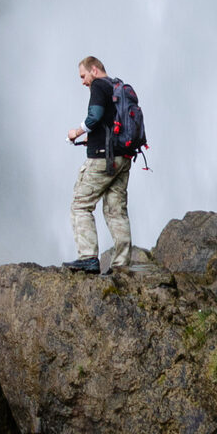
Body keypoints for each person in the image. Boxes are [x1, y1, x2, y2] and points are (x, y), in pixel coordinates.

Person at [64, 54, 132, 272]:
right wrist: (91, 139)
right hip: (123, 157)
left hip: (103, 159)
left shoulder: (99, 86)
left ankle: (88, 258)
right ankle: (121, 264)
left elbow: (94, 116)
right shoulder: (117, 87)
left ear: (94, 70)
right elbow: (109, 122)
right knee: (116, 210)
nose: (83, 81)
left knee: (80, 205)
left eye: (83, 75)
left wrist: (77, 131)